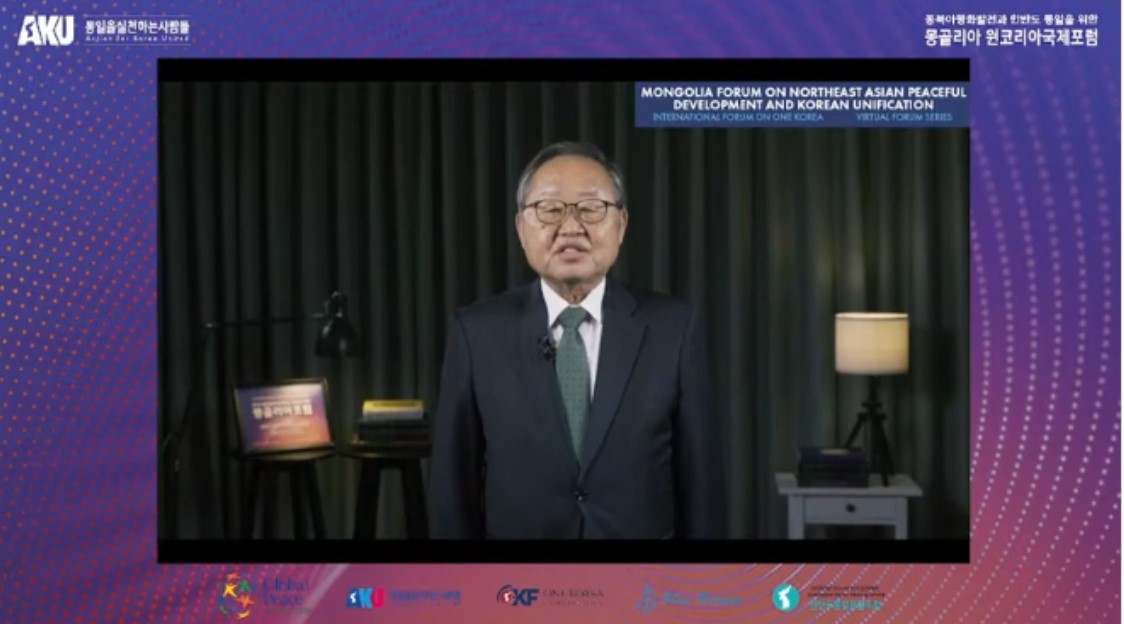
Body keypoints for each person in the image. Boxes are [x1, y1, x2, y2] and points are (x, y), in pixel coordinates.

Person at [428, 141, 726, 539]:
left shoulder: (674, 328)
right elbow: (451, 492)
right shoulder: (476, 332)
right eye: (550, 209)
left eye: (591, 208)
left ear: (621, 225)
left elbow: (702, 489)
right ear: (521, 229)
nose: (571, 227)